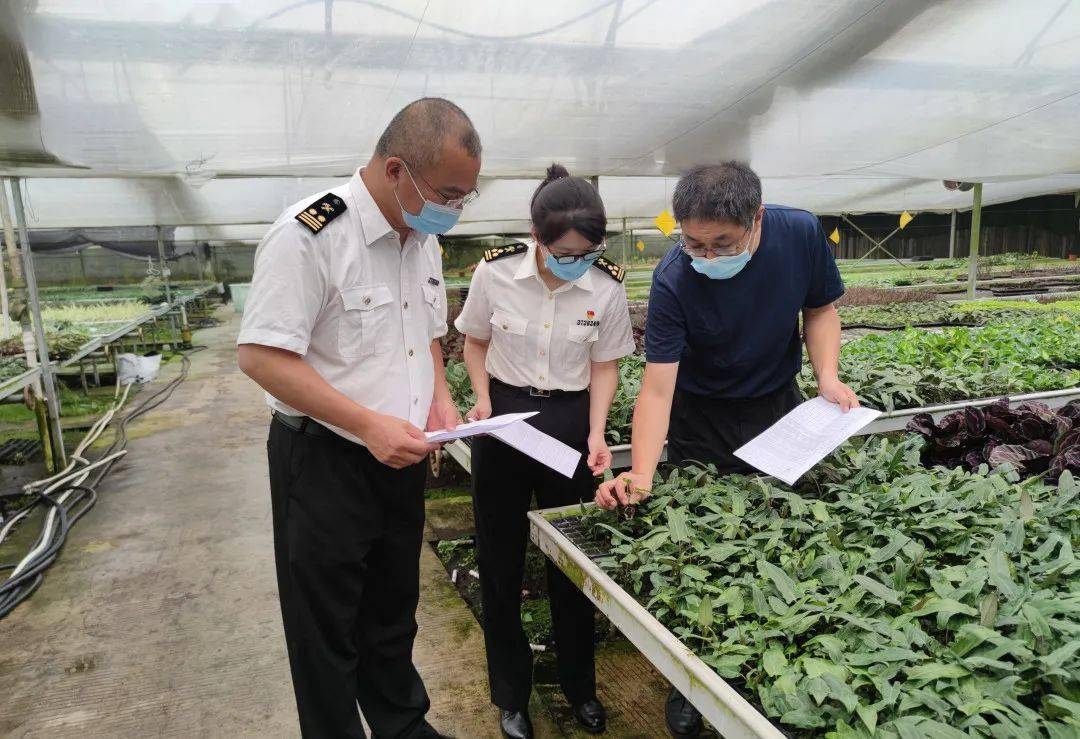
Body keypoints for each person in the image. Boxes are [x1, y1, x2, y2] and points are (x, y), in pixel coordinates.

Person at [237, 97, 481, 739]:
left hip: (400, 455)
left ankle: (402, 725)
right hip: (325, 459)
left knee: (393, 608)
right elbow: (261, 356)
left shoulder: (421, 239)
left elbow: (425, 334)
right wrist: (368, 424)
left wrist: (439, 399)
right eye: (448, 194)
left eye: (466, 196)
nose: (455, 209)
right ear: (397, 169)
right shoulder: (310, 235)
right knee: (325, 623)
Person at [594, 161, 858, 737]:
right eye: (693, 243)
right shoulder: (673, 279)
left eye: (722, 243)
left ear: (756, 220)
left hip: (776, 405)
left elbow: (819, 309)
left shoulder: (799, 233)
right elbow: (657, 389)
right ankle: (692, 678)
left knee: (780, 532)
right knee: (703, 544)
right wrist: (643, 475)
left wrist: (828, 377)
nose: (707, 256)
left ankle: (778, 658)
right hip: (701, 417)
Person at [454, 164, 636, 738]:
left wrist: (597, 433)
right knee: (500, 561)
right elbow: (474, 343)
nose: (576, 261)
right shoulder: (495, 273)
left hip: (568, 421)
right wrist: (483, 399)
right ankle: (511, 694)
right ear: (537, 237)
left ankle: (581, 688)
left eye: (588, 252)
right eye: (564, 252)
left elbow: (604, 366)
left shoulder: (606, 286)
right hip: (506, 418)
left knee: (571, 560)